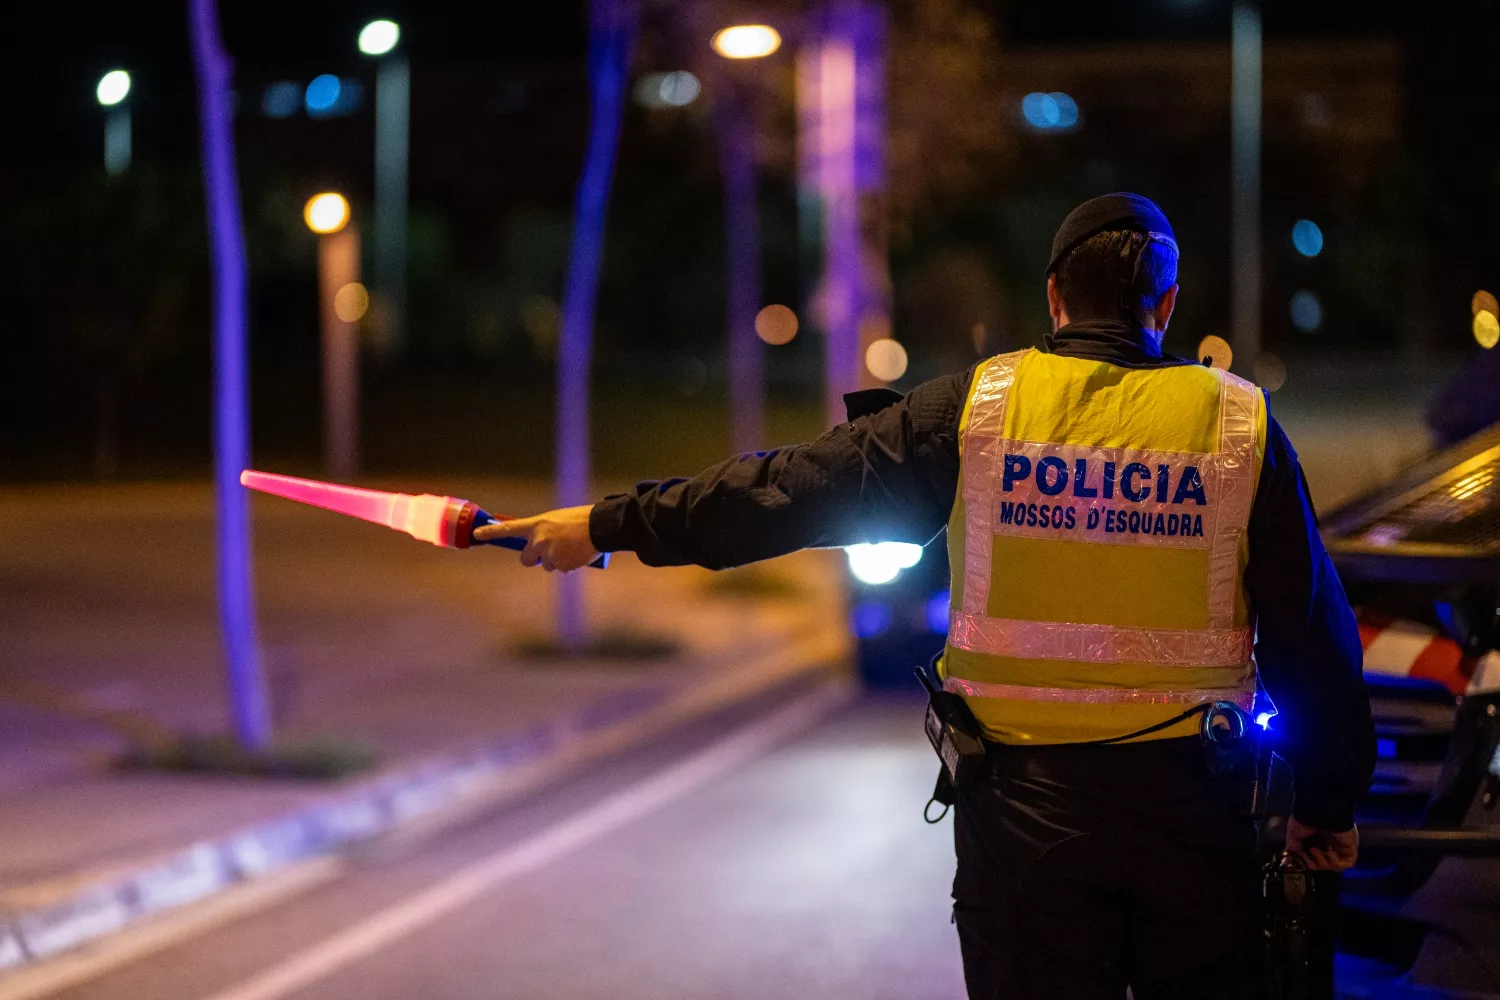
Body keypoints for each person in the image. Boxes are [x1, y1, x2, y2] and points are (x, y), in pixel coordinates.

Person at [476, 193, 1376, 999]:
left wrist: (605, 525)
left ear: (1055, 299)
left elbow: (782, 491)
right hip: (1196, 815)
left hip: (1025, 827)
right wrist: (1328, 804)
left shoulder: (976, 409)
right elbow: (1314, 639)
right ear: (1166, 305)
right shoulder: (1238, 424)